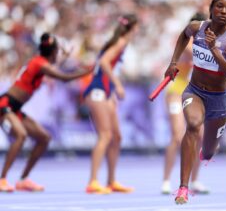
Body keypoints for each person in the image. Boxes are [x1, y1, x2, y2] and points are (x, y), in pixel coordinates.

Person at [163, 0, 226, 204]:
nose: (224, 12)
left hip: (218, 99)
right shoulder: (197, 27)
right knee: (192, 125)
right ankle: (183, 188)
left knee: (208, 152)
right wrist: (173, 63)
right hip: (195, 91)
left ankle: (206, 153)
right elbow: (183, 35)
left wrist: (215, 50)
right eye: (220, 7)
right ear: (211, 8)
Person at [0, 33, 92, 192]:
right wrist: (88, 71)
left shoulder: (39, 62)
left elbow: (52, 68)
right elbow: (64, 77)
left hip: (15, 108)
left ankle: (23, 180)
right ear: (53, 52)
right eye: (57, 51)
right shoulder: (40, 64)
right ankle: (2, 179)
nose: (58, 54)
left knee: (44, 138)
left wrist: (63, 58)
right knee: (21, 136)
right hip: (5, 105)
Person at [83, 14, 137, 194]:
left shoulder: (120, 42)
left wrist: (112, 90)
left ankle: (111, 181)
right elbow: (104, 62)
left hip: (106, 92)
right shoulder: (120, 42)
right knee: (105, 135)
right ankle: (93, 181)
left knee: (116, 137)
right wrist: (118, 85)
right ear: (133, 28)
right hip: (97, 91)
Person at [161, 12, 209, 195]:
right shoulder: (187, 42)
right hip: (176, 91)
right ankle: (166, 180)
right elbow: (194, 52)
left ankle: (194, 180)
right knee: (177, 135)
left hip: (194, 93)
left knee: (200, 135)